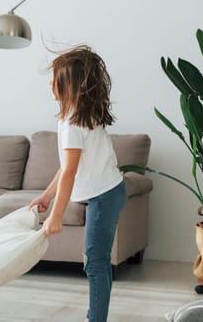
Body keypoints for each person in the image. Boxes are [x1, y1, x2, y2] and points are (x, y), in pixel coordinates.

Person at [29, 45, 126, 322]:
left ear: (68, 83)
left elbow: (70, 173)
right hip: (109, 191)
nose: (50, 82)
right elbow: (67, 167)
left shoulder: (74, 122)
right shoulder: (78, 115)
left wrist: (56, 216)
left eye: (55, 77)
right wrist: (47, 197)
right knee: (97, 261)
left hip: (104, 196)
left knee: (95, 262)